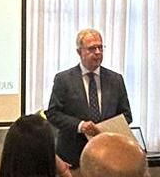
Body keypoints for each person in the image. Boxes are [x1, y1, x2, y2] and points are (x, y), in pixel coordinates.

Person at [43, 29, 133, 169]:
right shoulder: (64, 79)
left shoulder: (116, 80)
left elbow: (126, 115)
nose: (97, 52)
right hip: (74, 156)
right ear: (79, 52)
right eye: (92, 48)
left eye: (100, 47)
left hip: (107, 157)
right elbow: (53, 114)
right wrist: (80, 126)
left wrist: (106, 128)